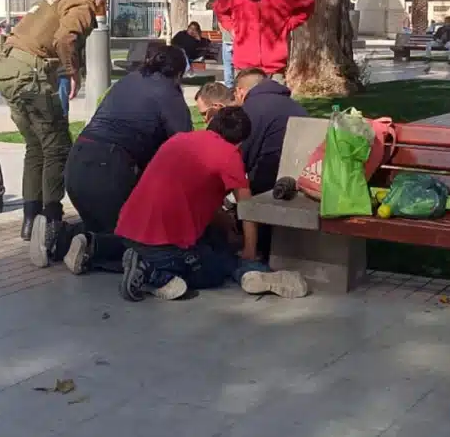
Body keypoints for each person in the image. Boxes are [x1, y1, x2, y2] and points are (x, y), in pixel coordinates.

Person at [116, 106, 309, 301]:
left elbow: (195, 196)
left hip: (127, 230)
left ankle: (104, 248)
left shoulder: (179, 140)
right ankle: (153, 272)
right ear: (240, 142)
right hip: (163, 243)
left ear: (211, 124)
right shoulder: (229, 155)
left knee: (211, 243)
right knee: (212, 272)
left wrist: (225, 223)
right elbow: (247, 207)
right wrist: (250, 250)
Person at [0, 0, 107, 266]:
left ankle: (30, 220)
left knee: (36, 146)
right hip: (30, 75)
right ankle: (51, 223)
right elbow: (65, 38)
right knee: (57, 147)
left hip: (6, 70)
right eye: (102, 2)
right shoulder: (80, 3)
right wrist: (72, 71)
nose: (99, 9)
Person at [60, 45, 194, 274]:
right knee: (140, 239)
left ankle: (58, 237)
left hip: (78, 160)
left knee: (104, 224)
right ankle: (93, 247)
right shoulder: (168, 93)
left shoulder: (129, 81)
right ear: (179, 74)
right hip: (109, 167)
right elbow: (186, 146)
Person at [232, 67, 308, 258]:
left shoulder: (251, 109)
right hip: (302, 175)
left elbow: (240, 157)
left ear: (241, 91)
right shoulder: (293, 104)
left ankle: (252, 249)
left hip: (270, 180)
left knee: (241, 189)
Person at [212, 0, 315, 84]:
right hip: (245, 68)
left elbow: (308, 4)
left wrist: (287, 25)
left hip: (274, 68)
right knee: (247, 104)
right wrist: (232, 28)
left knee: (275, 103)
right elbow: (220, 10)